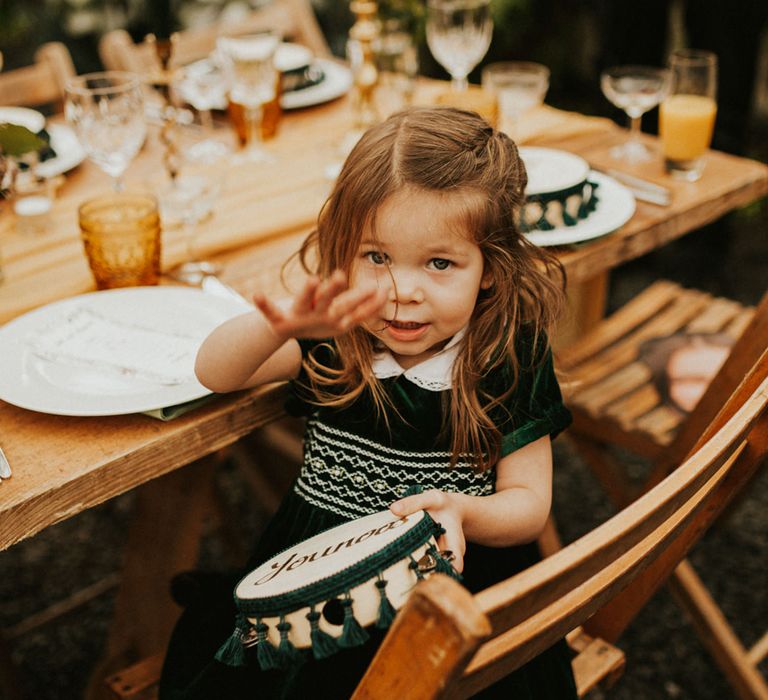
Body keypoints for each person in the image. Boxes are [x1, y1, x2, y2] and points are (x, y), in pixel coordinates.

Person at [159, 106, 577, 699]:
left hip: (448, 604)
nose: (401, 290)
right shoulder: (337, 338)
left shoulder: (506, 359)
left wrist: (462, 511)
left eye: (439, 263)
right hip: (313, 606)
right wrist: (278, 325)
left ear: (490, 268)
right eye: (375, 257)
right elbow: (216, 372)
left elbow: (530, 505)